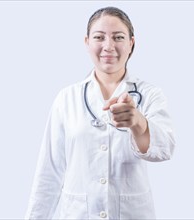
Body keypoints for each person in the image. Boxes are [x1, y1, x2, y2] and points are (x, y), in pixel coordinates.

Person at [25, 6, 175, 220]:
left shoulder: (150, 95)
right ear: (87, 42)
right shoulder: (66, 98)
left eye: (118, 37)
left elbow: (165, 149)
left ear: (131, 43)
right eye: (99, 37)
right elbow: (49, 173)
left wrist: (138, 123)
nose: (108, 46)